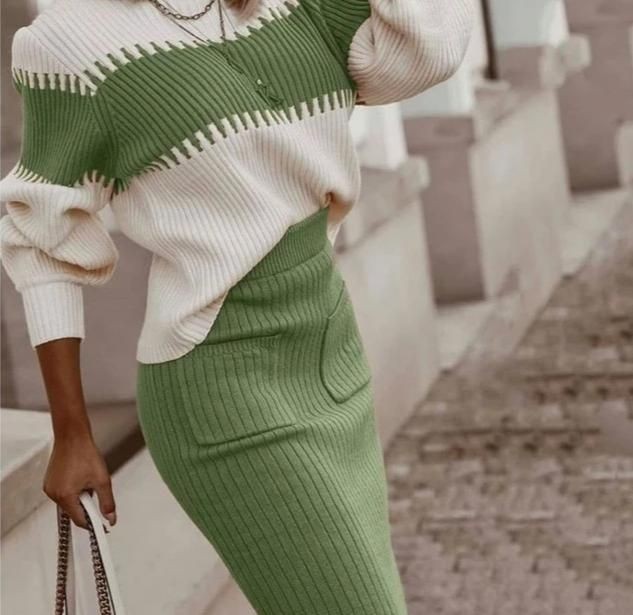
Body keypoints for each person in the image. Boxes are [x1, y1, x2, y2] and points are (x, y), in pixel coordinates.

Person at [0, 0, 474, 612]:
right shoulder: (70, 44)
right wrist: (71, 433)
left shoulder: (296, 7)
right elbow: (40, 241)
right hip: (223, 389)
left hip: (332, 355)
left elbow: (429, 50)